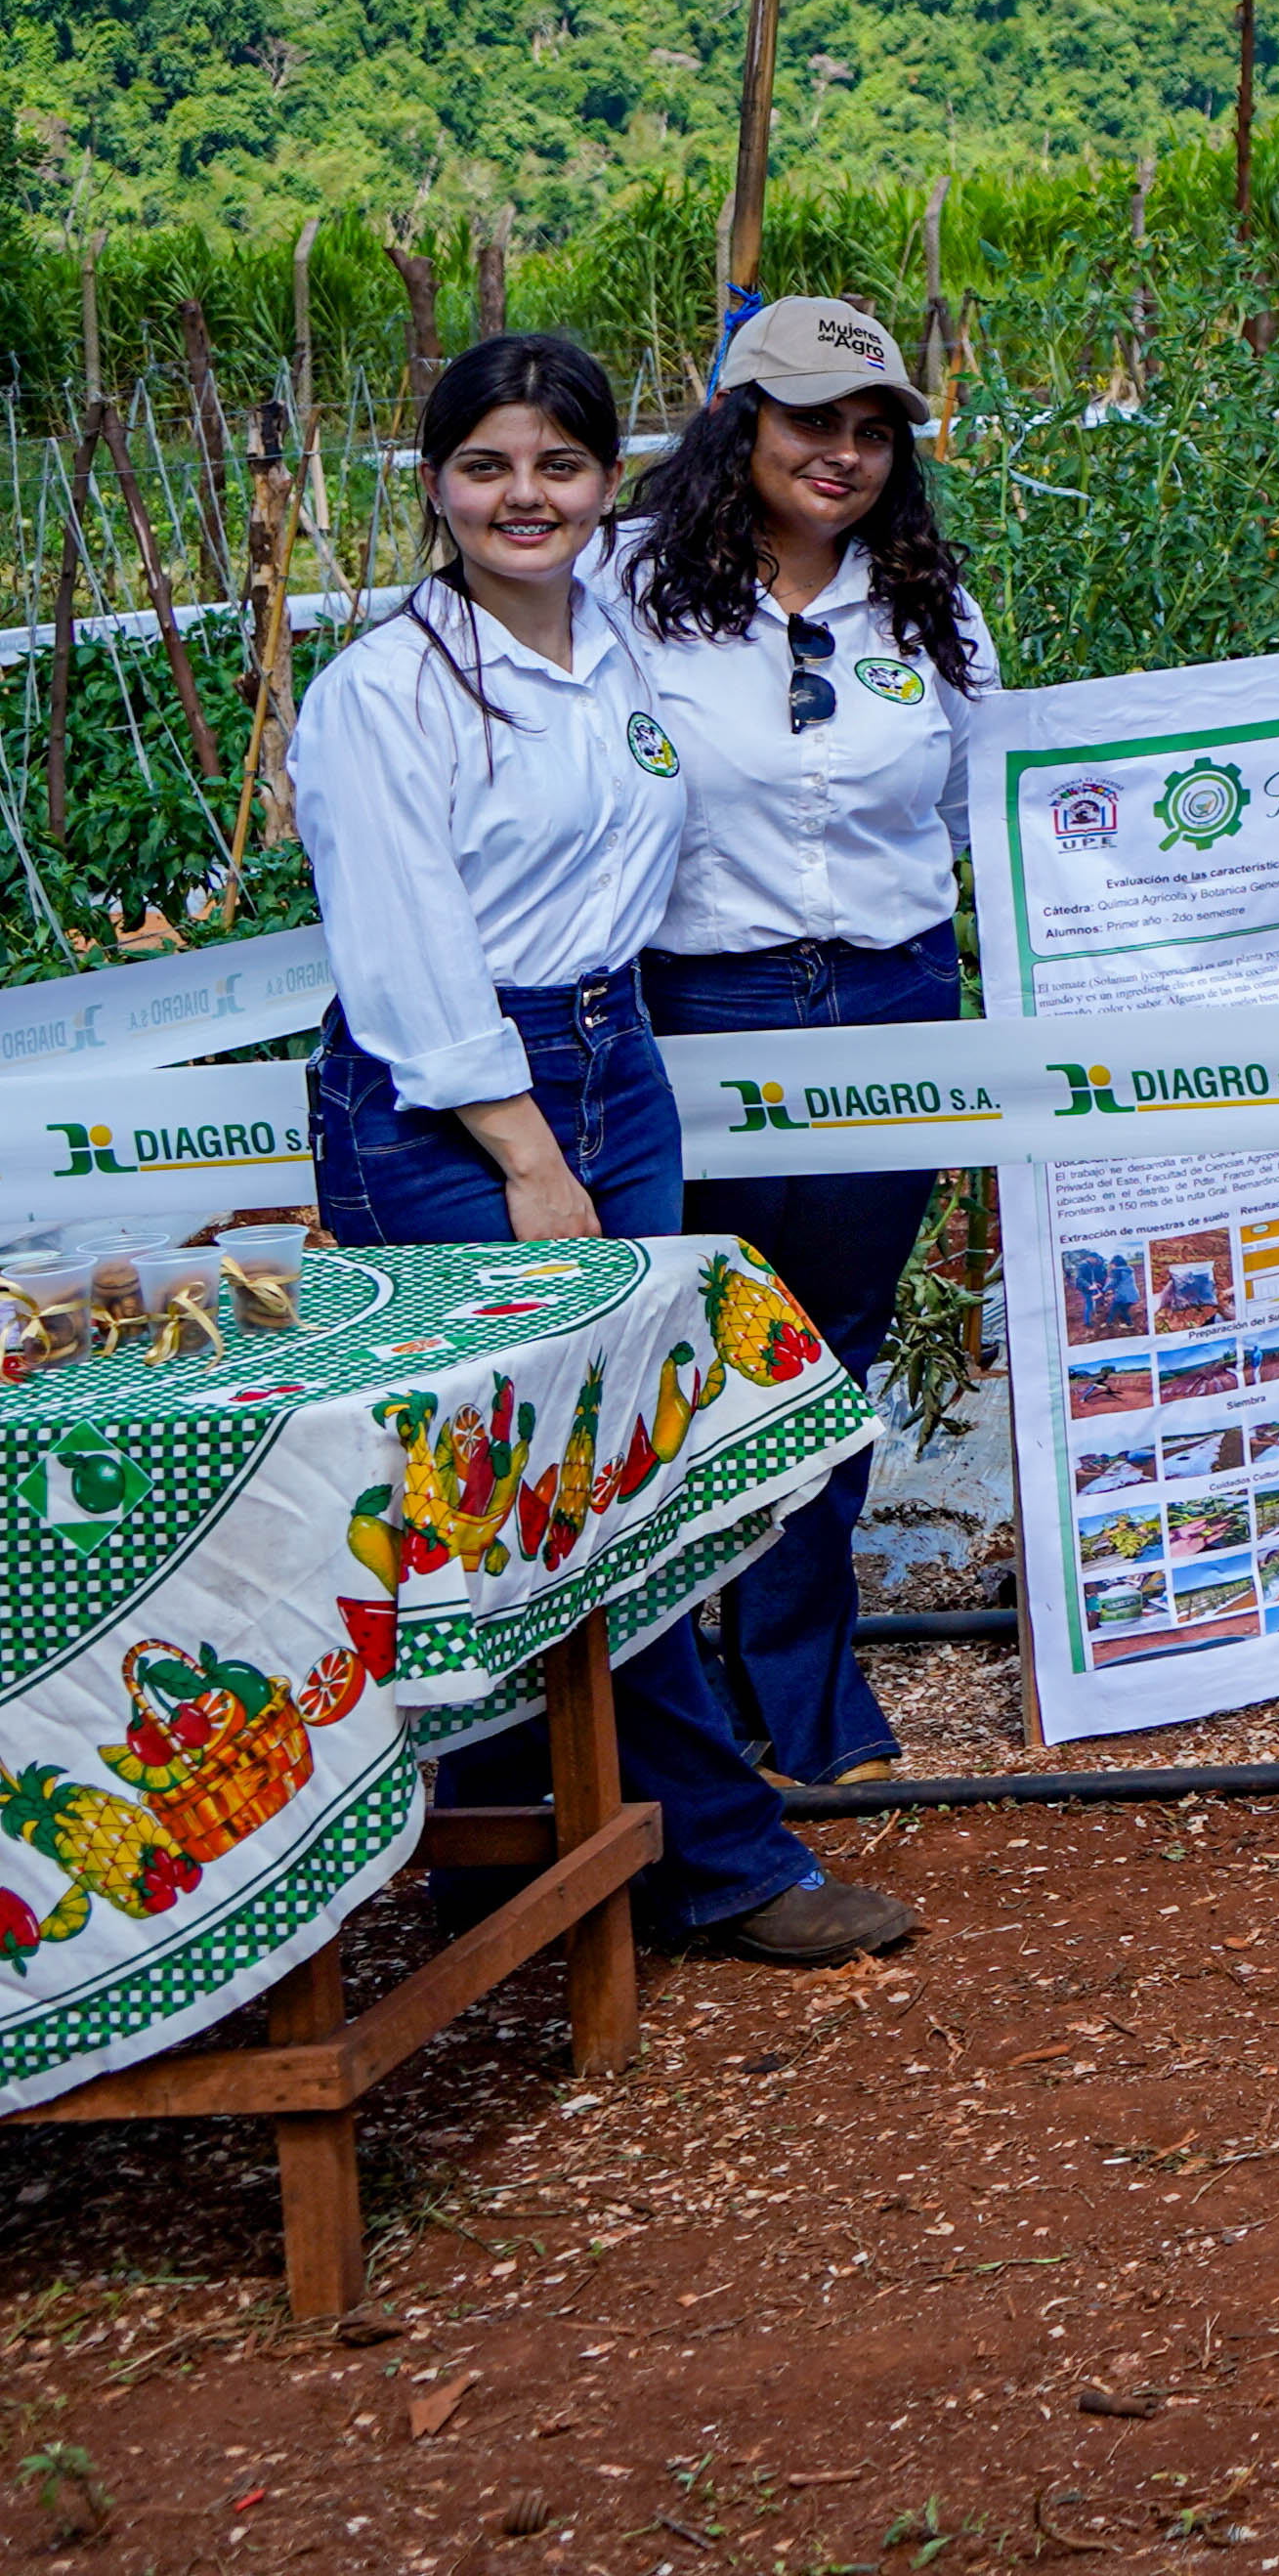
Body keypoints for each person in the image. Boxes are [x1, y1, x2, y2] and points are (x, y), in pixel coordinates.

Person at [293, 330, 915, 1967]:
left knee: (603, 1469)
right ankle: (719, 1860)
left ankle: (520, 1869)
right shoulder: (383, 691)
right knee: (530, 1478)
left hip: (612, 1056)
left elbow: (786, 535)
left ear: (604, 487)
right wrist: (526, 1150)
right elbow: (408, 955)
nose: (526, 497)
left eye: (560, 466)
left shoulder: (623, 637)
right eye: (488, 466)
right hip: (454, 1102)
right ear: (433, 485)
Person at [610, 294, 998, 1795]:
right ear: (738, 426)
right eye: (810, 422)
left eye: (871, 430)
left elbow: (979, 807)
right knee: (692, 1347)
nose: (841, 454)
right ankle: (675, 1697)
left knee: (828, 1349)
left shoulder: (923, 601)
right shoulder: (630, 592)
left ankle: (810, 1689)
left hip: (894, 1000)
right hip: (704, 1004)